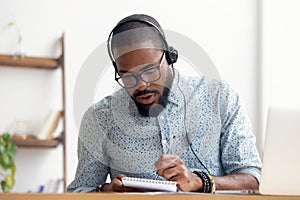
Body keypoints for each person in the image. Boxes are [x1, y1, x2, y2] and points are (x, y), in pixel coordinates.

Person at [67, 14, 261, 193]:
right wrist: (109, 192)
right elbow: (80, 191)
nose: (141, 85)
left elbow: (253, 179)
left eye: (150, 70)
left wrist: (201, 181)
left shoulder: (219, 98)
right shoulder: (99, 117)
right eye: (128, 76)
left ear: (170, 57)